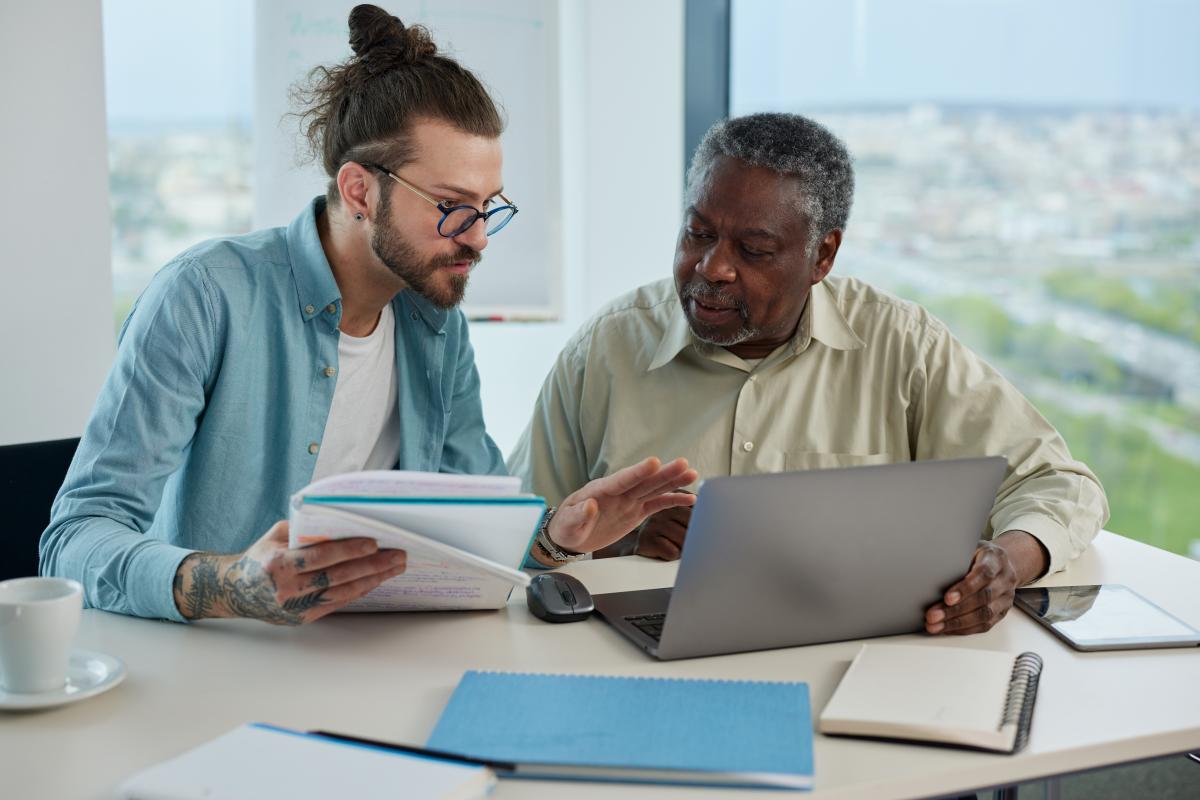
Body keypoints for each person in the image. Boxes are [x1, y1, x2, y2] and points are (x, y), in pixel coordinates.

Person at [40, 5, 696, 625]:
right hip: (218, 661)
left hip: (371, 655)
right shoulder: (205, 296)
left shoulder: (436, 324)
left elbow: (484, 533)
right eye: (452, 206)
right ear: (360, 190)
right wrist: (232, 585)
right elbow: (74, 539)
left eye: (489, 206)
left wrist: (558, 535)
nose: (479, 237)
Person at [508, 112, 1109, 636]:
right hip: (637, 661)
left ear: (823, 255)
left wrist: (1006, 563)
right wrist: (613, 537)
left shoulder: (901, 345)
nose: (712, 267)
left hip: (856, 661)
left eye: (754, 250)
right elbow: (513, 536)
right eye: (698, 233)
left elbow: (1060, 483)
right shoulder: (608, 347)